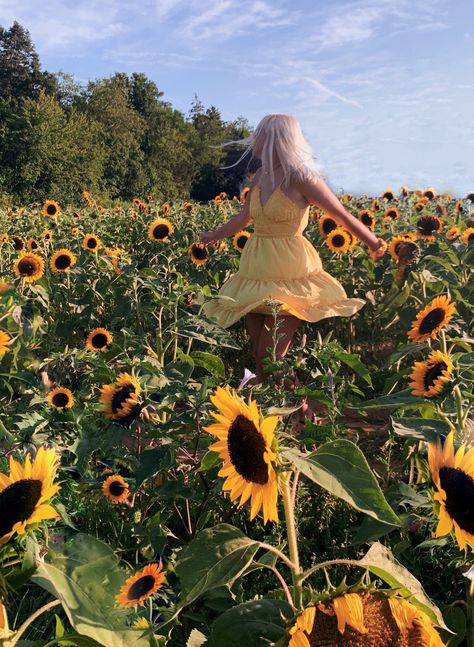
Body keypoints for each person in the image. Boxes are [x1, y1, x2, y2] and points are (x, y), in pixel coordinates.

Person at [198, 113, 387, 403]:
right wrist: (214, 236)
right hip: (256, 271)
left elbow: (340, 215)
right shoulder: (260, 176)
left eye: (259, 134)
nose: (254, 139)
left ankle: (297, 413)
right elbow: (244, 218)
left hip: (290, 274)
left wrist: (374, 243)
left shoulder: (302, 177)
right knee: (262, 362)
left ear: (275, 138)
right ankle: (288, 417)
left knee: (270, 356)